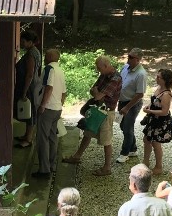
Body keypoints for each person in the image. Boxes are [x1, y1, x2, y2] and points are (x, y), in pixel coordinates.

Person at [62, 56, 122, 176]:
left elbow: (98, 95)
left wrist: (97, 93)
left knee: (106, 140)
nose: (97, 70)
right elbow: (93, 91)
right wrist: (97, 93)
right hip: (97, 109)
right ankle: (77, 156)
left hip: (106, 112)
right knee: (88, 133)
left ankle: (107, 167)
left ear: (105, 66)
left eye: (99, 67)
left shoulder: (115, 78)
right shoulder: (104, 75)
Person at [33, 49, 67, 178]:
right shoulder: (60, 71)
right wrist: (60, 105)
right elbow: (64, 92)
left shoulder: (49, 69)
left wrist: (43, 105)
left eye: (46, 55)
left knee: (42, 139)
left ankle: (44, 169)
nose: (44, 57)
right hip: (57, 108)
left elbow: (49, 87)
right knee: (53, 137)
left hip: (48, 109)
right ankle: (51, 165)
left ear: (50, 57)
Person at [116, 48, 147, 163]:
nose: (128, 58)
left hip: (132, 104)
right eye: (128, 56)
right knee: (122, 126)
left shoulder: (141, 74)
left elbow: (140, 94)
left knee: (128, 128)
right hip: (122, 101)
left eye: (131, 57)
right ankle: (133, 148)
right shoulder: (125, 67)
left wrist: (127, 107)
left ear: (137, 60)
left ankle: (124, 153)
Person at [141, 69, 172, 175]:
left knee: (156, 143)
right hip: (153, 119)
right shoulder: (159, 88)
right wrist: (149, 107)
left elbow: (164, 111)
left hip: (160, 121)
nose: (156, 78)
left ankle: (158, 166)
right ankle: (146, 161)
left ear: (165, 80)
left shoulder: (166, 94)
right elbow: (155, 102)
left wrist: (149, 110)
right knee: (146, 139)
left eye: (159, 77)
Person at [14, 29, 42, 148]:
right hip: (32, 85)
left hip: (29, 86)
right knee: (28, 111)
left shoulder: (31, 54)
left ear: (30, 42)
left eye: (23, 41)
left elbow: (29, 74)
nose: (22, 43)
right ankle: (26, 135)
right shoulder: (35, 51)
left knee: (29, 111)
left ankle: (28, 139)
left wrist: (24, 91)